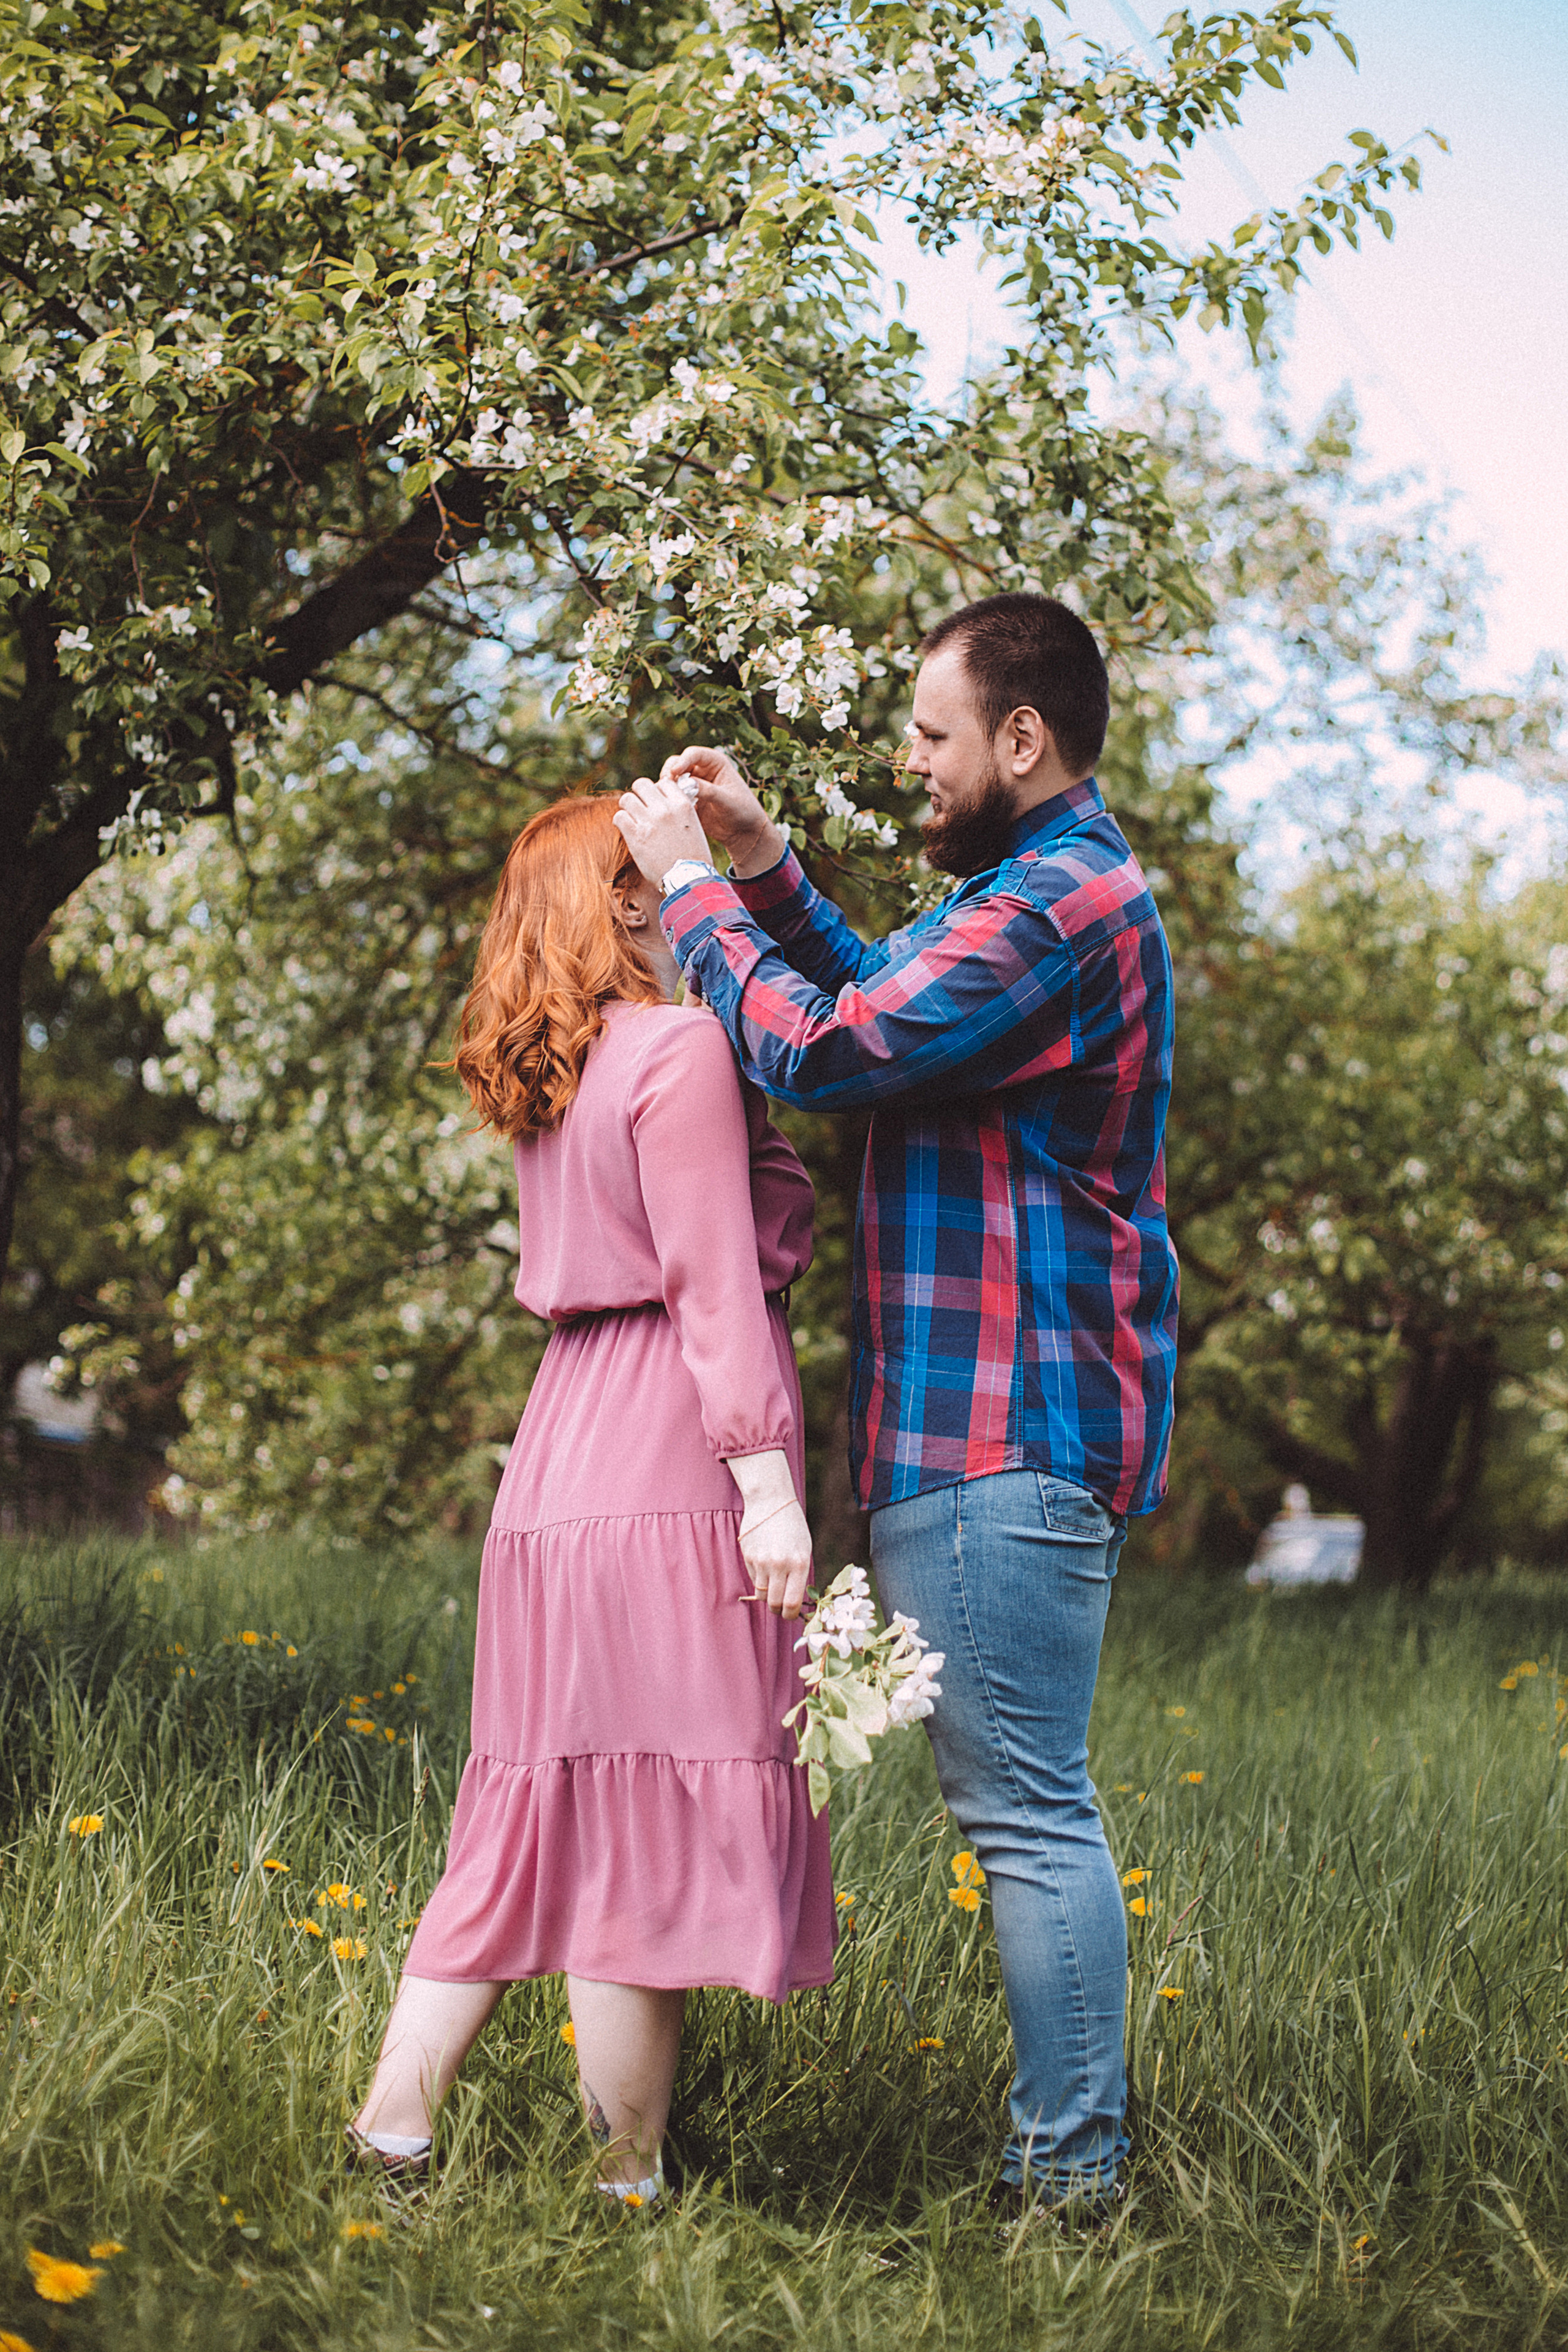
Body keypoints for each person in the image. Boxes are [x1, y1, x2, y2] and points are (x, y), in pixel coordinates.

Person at [613, 592, 1178, 2215]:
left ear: (1023, 736)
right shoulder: (1027, 891)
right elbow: (883, 994)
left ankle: (1069, 2190)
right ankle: (1071, 2170)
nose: (910, 761)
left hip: (1006, 1428)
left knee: (1027, 1819)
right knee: (1026, 1809)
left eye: (932, 735)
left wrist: (697, 896)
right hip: (981, 1429)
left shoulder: (1063, 905)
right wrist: (773, 865)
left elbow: (832, 1049)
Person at [346, 796, 834, 2208]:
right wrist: (767, 1489)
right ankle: (625, 2180)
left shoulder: (556, 1077)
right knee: (648, 1838)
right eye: (655, 874)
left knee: (531, 1817)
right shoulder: (676, 1051)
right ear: (625, 908)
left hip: (553, 1466)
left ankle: (395, 2131)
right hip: (667, 1458)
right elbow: (711, 1284)